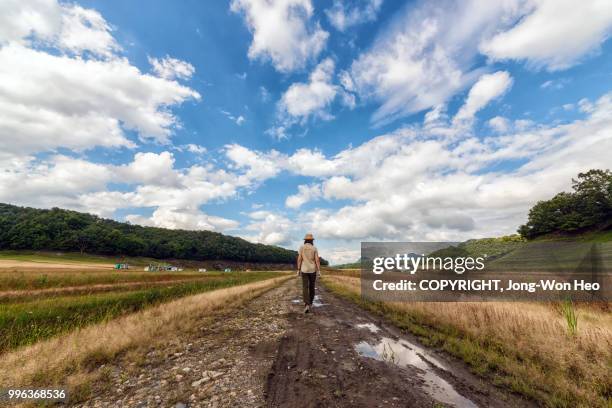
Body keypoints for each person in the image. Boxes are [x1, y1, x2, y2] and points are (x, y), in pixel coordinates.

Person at [297, 233, 321, 313]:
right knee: (312, 287)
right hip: (312, 270)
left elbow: (299, 259)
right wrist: (319, 271)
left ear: (305, 240)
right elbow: (317, 260)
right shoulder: (314, 248)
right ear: (312, 240)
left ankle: (306, 304)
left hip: (304, 270)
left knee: (305, 287)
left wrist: (298, 269)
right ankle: (310, 302)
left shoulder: (302, 247)